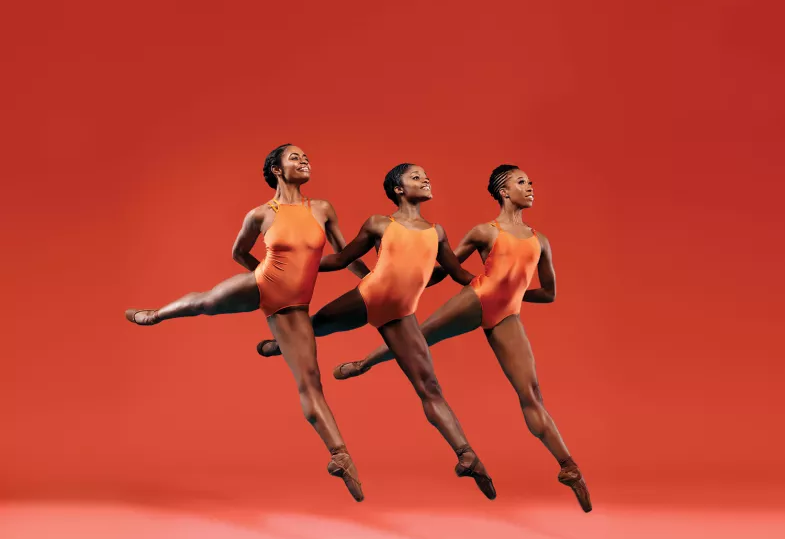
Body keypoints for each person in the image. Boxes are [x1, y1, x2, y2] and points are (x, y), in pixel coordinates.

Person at [330, 165, 592, 512]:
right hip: (475, 298)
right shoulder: (485, 232)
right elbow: (444, 266)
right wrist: (406, 283)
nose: (530, 187)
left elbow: (549, 294)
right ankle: (365, 362)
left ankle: (568, 467)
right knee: (420, 336)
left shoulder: (540, 241)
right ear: (503, 191)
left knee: (531, 394)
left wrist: (513, 294)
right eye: (521, 182)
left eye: (531, 181)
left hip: (506, 315)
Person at [124, 144, 369, 502]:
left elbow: (344, 254)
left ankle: (340, 456)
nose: (305, 161)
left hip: (293, 306)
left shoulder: (322, 209)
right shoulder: (260, 215)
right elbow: (239, 252)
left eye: (306, 157)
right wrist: (266, 275)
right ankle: (158, 313)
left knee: (310, 382)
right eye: (295, 157)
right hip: (261, 283)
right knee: (207, 301)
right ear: (277, 169)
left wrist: (369, 280)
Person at [256, 163, 496, 500]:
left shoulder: (437, 232)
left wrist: (487, 281)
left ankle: (466, 454)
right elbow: (342, 260)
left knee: (429, 386)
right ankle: (279, 344)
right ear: (398, 189)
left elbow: (455, 272)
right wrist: (294, 264)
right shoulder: (379, 223)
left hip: (400, 314)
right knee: (312, 329)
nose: (426, 179)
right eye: (416, 177)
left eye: (427, 176)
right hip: (368, 297)